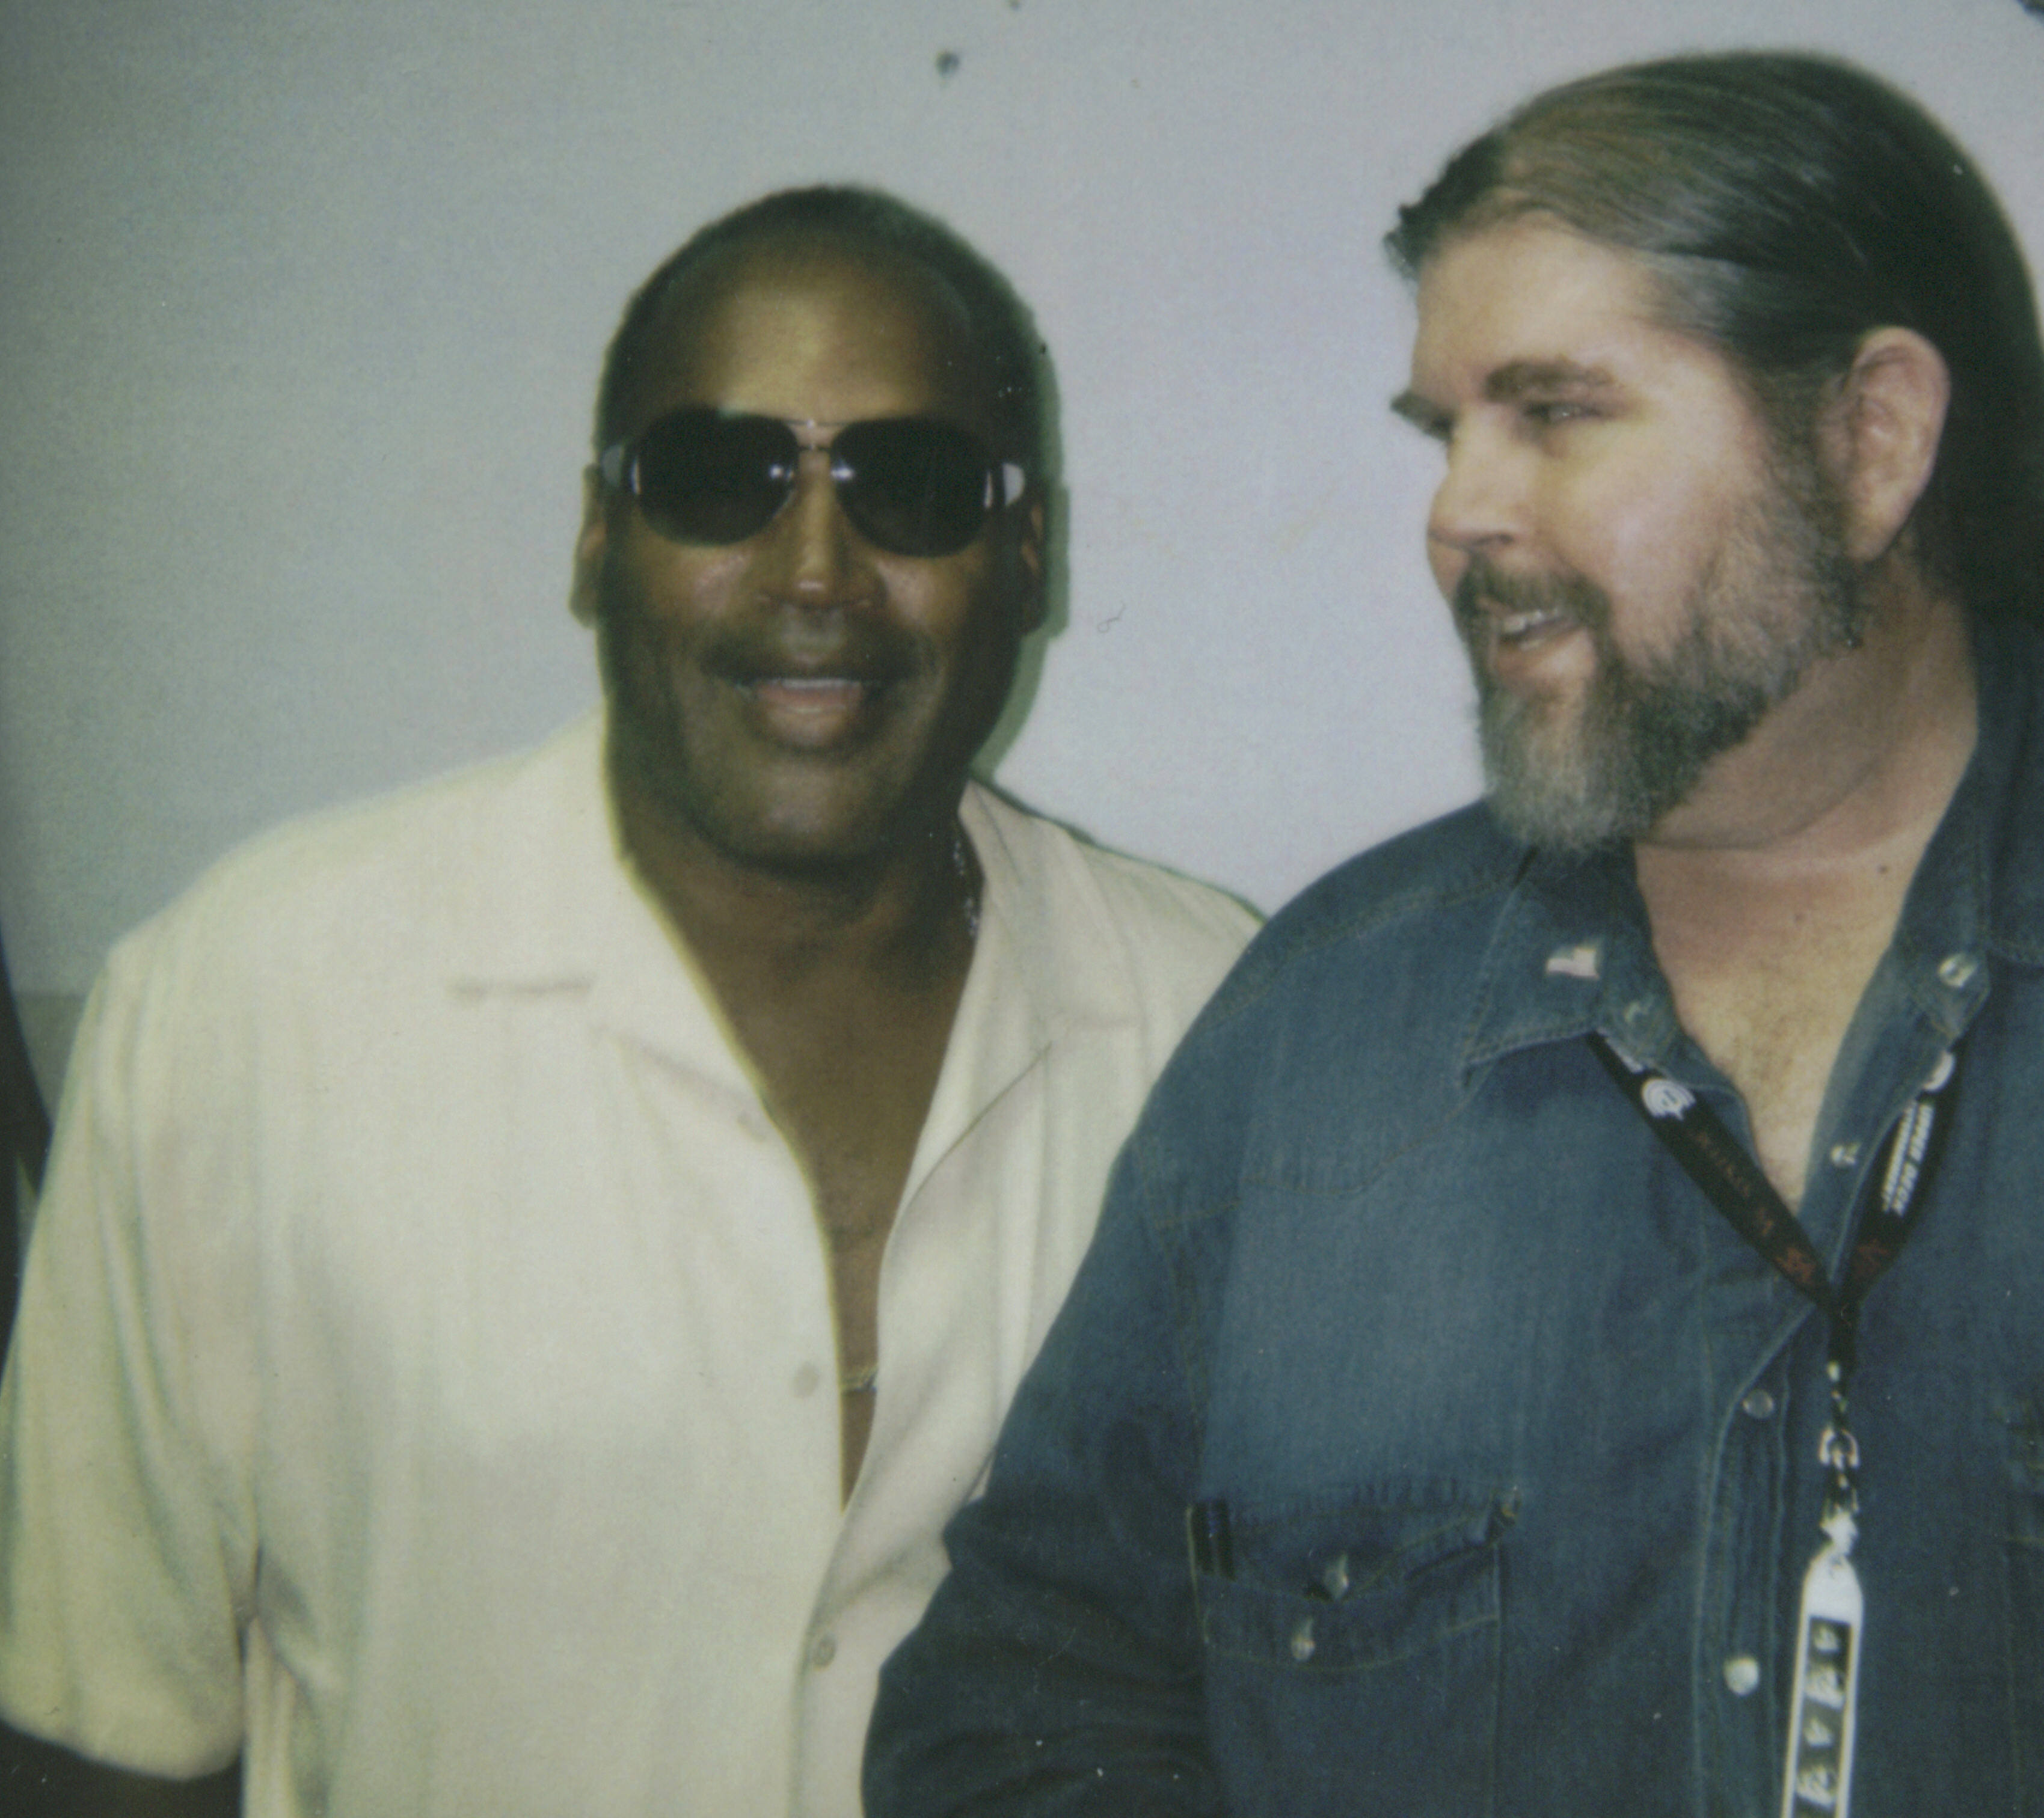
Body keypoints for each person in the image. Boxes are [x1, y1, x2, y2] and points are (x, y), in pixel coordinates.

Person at [866, 54, 2044, 1818]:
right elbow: (1009, 1714)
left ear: (1871, 438)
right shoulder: (1312, 1041)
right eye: (1448, 432)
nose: (1458, 517)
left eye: (1558, 412)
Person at [0, 186, 1256, 1817]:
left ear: (1026, 555)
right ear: (599, 540)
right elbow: (100, 1738)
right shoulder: (245, 1016)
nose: (818, 569)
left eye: (914, 487)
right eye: (719, 479)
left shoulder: (1222, 1035)